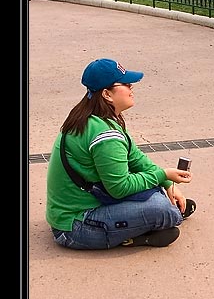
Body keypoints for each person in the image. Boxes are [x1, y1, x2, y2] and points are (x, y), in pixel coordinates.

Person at [45, 58, 196, 249]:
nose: (131, 88)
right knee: (163, 210)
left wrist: (167, 184)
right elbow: (119, 187)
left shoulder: (94, 118)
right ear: (107, 94)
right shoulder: (104, 134)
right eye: (125, 84)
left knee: (154, 192)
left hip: (75, 210)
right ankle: (141, 234)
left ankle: (148, 222)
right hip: (75, 228)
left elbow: (136, 158)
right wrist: (162, 175)